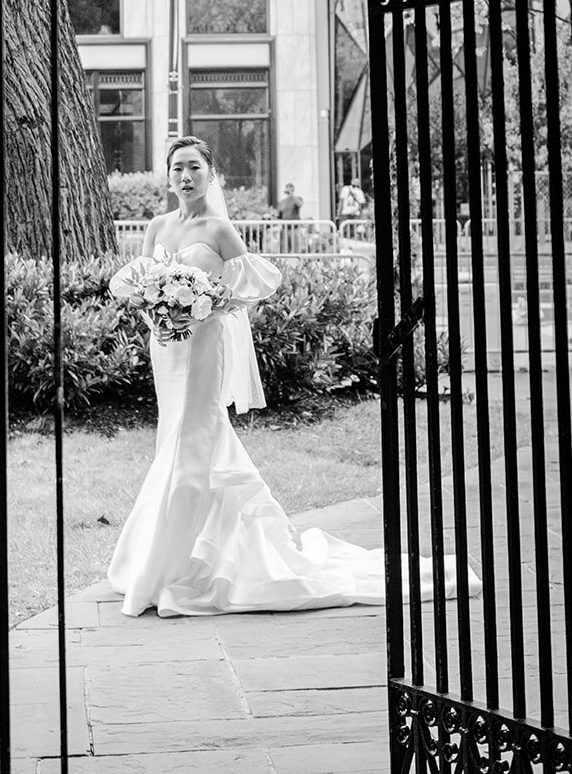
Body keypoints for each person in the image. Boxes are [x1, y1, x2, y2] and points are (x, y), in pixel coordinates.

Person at [107, 134, 481, 618]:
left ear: (210, 173)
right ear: (168, 173)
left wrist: (205, 303)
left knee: (195, 440)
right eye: (177, 167)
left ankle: (179, 562)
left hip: (202, 351)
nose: (185, 176)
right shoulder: (157, 227)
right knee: (172, 437)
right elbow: (135, 284)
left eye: (195, 167)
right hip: (167, 353)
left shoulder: (220, 229)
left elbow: (255, 285)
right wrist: (160, 314)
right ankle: (169, 556)